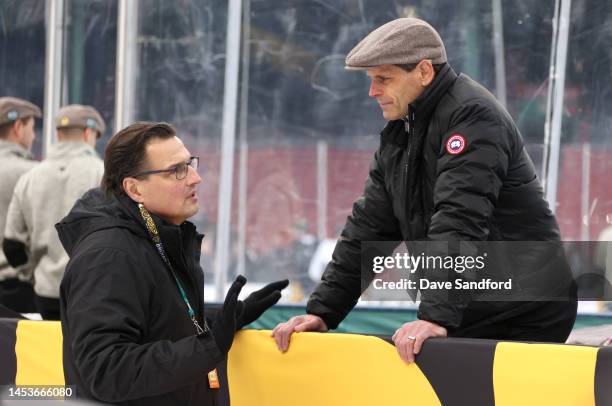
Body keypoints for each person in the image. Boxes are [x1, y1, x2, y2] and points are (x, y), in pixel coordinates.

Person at [272, 17, 577, 363]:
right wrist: (323, 311)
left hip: (523, 310)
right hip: (474, 310)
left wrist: (435, 317)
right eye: (372, 80)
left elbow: (459, 218)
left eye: (383, 79)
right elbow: (369, 226)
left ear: (424, 72)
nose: (373, 92)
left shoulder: (472, 116)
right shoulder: (401, 131)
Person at [57, 121, 288, 405]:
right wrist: (209, 345)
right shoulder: (109, 256)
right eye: (177, 171)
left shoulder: (158, 239)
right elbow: (106, 370)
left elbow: (163, 326)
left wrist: (230, 317)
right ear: (135, 189)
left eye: (190, 164)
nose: (194, 178)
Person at [3, 105, 106, 320]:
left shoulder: (31, 176)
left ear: (58, 134)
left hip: (45, 294)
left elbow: (12, 245)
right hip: (90, 293)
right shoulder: (103, 173)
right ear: (88, 133)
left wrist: (32, 275)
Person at [0, 97, 41, 314]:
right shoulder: (31, 174)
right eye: (32, 128)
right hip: (16, 288)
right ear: (18, 127)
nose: (34, 136)